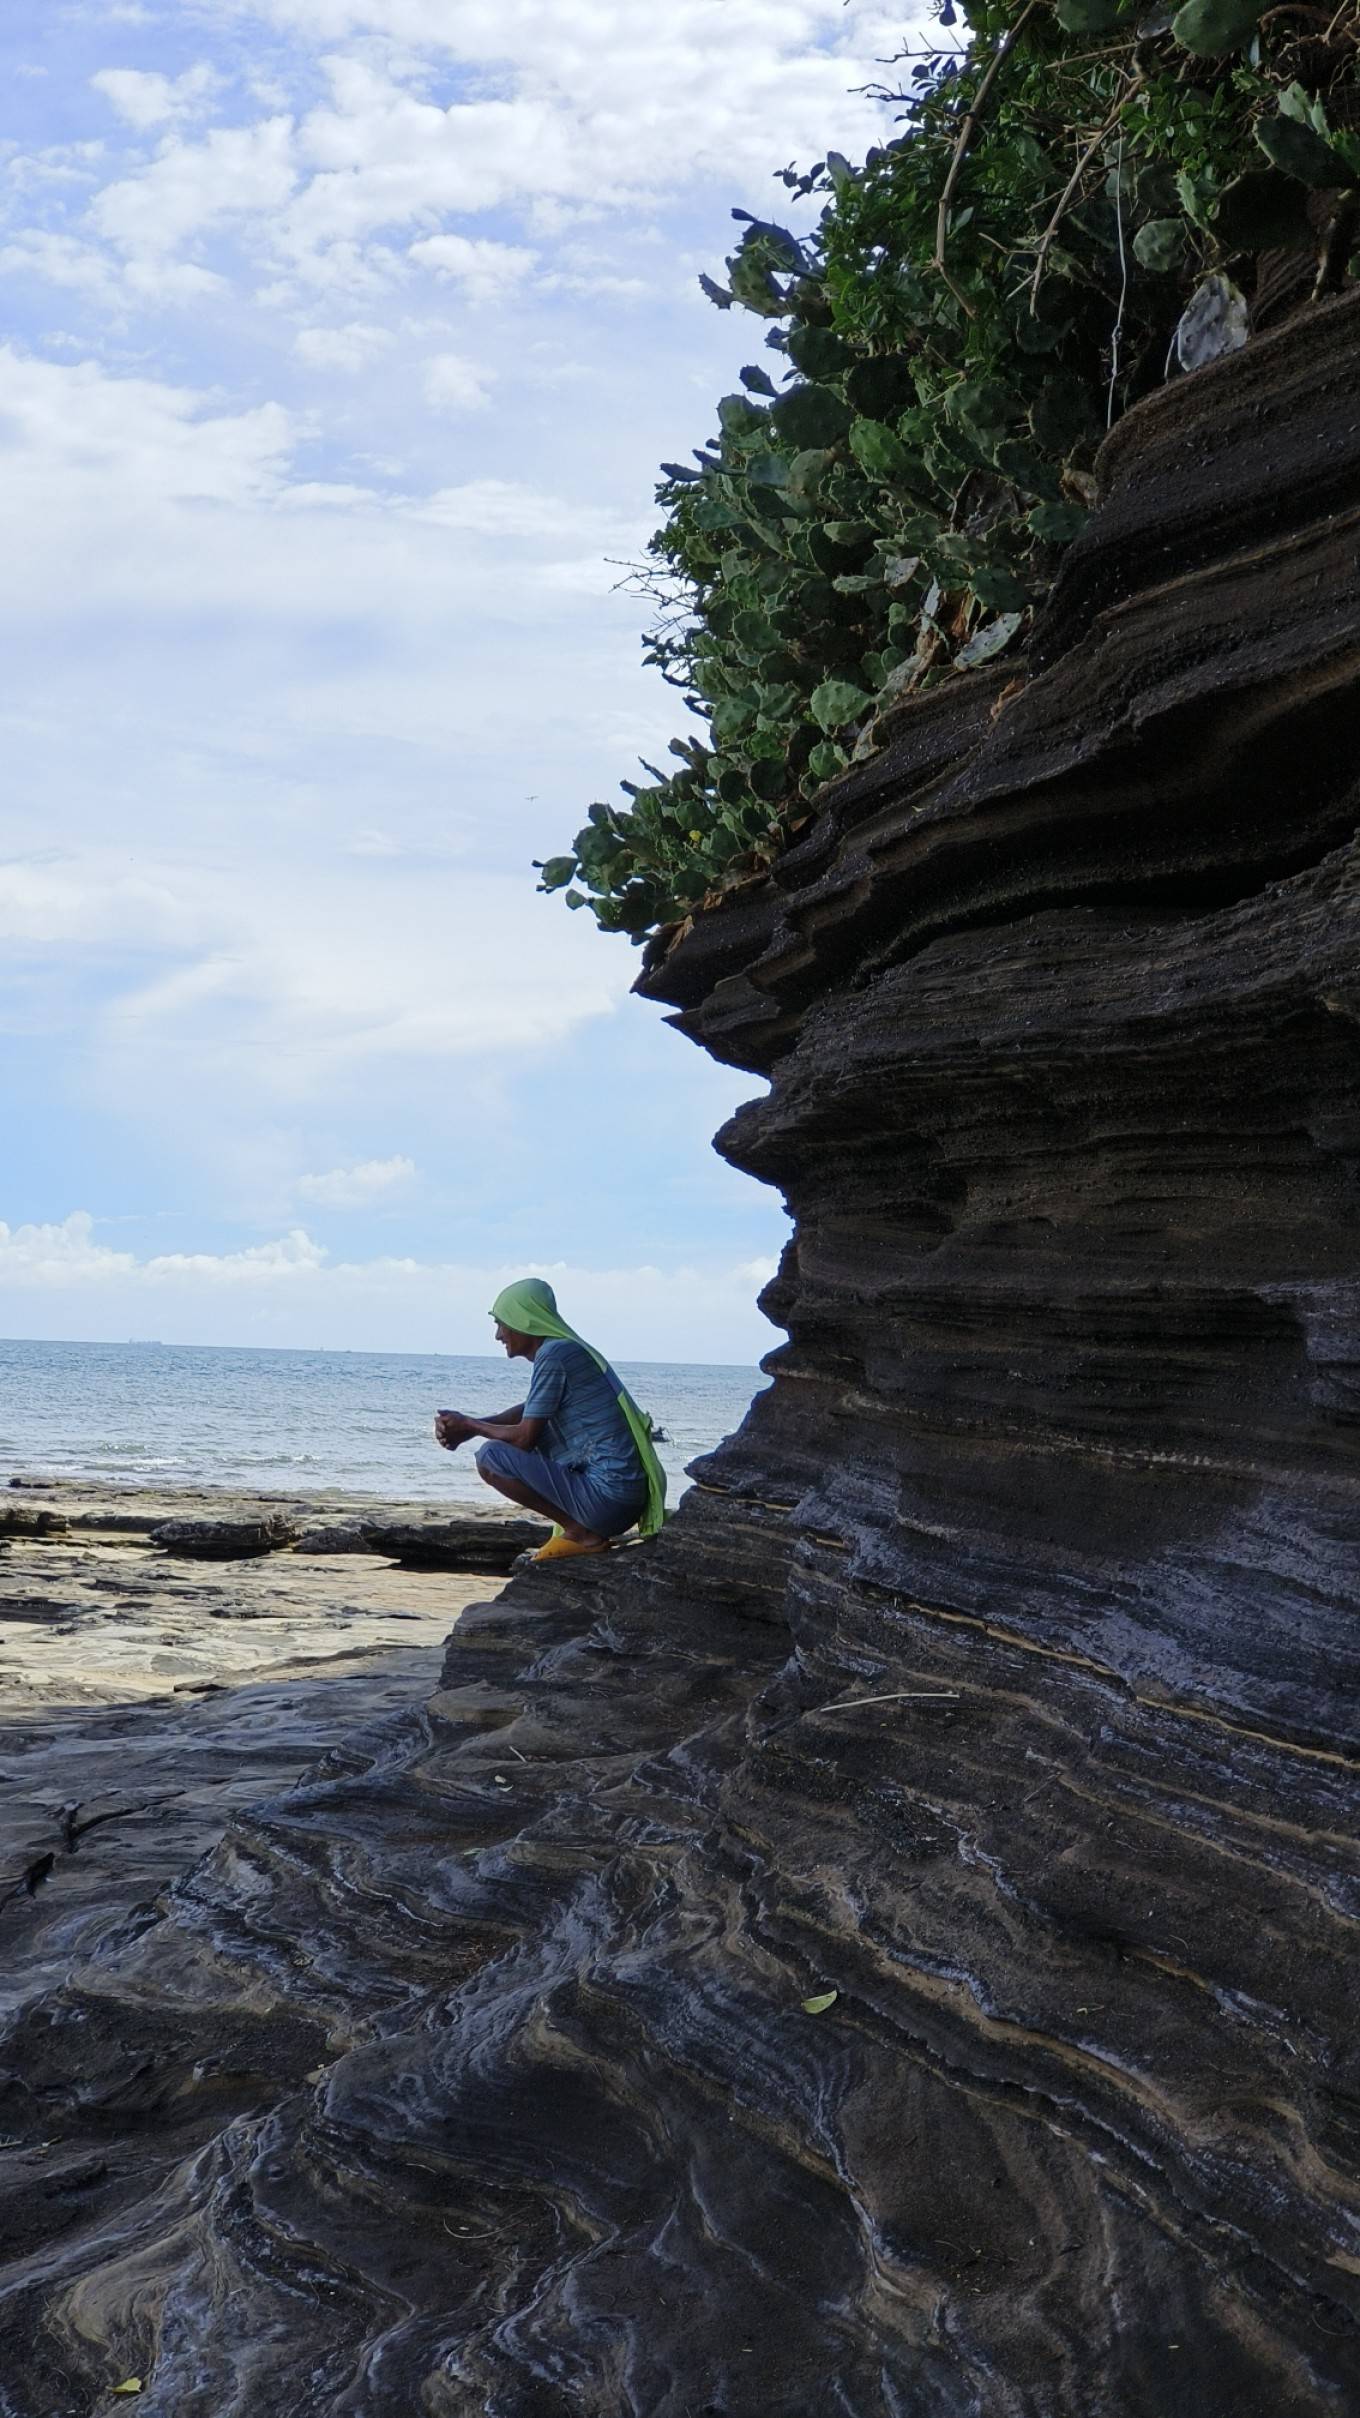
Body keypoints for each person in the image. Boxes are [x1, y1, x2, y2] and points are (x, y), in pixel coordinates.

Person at [433, 1277, 667, 1562]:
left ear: (524, 1321)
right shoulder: (564, 1352)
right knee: (497, 1446)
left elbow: (524, 1437)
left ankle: (580, 1533)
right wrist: (469, 1427)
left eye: (502, 1323)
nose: (498, 1335)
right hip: (620, 1500)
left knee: (490, 1457)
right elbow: (530, 1410)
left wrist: (470, 1425)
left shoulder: (555, 1354)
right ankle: (581, 1529)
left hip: (608, 1499)